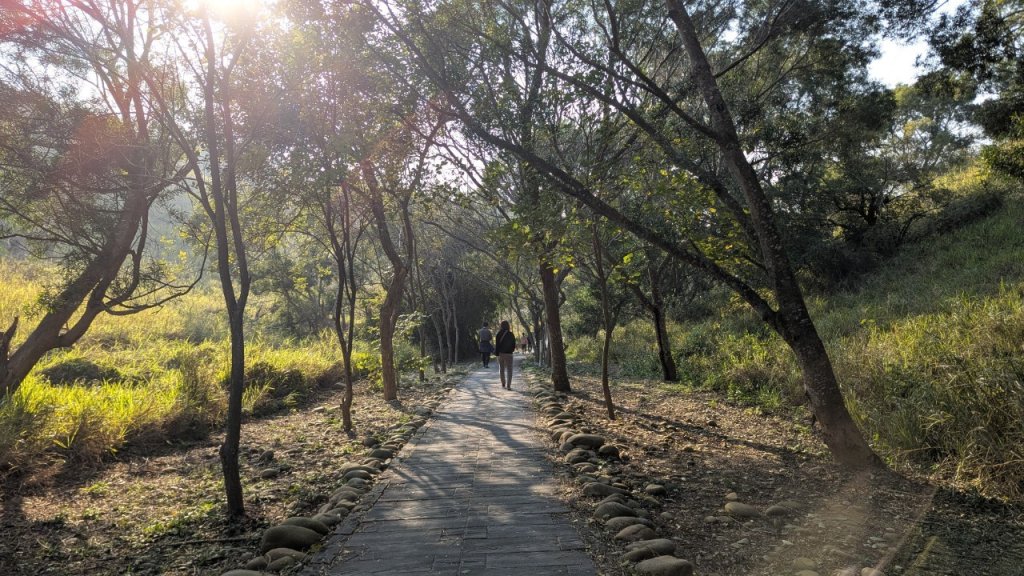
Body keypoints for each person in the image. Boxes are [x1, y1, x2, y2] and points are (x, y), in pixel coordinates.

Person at [494, 320, 517, 389]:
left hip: (501, 353)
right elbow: (513, 344)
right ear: (508, 326)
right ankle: (509, 385)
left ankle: (503, 383)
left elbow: (497, 345)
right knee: (509, 370)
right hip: (509, 354)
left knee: (501, 369)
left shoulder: (498, 334)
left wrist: (497, 353)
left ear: (501, 326)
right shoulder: (511, 334)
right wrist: (511, 350)